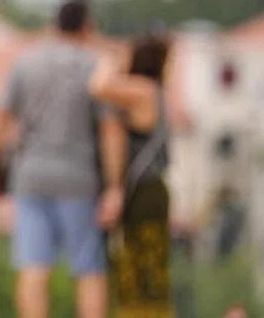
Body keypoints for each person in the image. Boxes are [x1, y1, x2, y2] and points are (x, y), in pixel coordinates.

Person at [0, 0, 128, 318]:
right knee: (88, 269)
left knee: (33, 267)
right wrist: (115, 187)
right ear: (87, 26)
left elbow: (0, 120)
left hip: (31, 176)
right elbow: (110, 131)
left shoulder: (27, 63)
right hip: (79, 179)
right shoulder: (95, 66)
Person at [90, 34, 173, 317]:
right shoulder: (153, 90)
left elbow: (98, 86)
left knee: (141, 267)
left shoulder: (144, 90)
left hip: (144, 190)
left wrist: (112, 60)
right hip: (149, 189)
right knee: (142, 268)